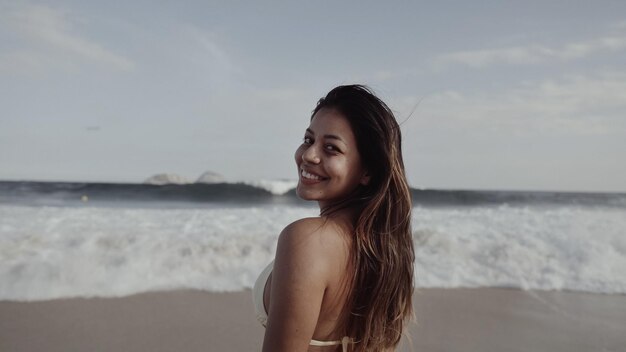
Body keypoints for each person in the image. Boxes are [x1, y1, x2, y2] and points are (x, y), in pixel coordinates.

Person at [253, 85, 414, 352]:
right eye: (308, 140)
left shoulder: (307, 239)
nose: (308, 155)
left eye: (331, 148)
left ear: (367, 171)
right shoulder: (382, 252)